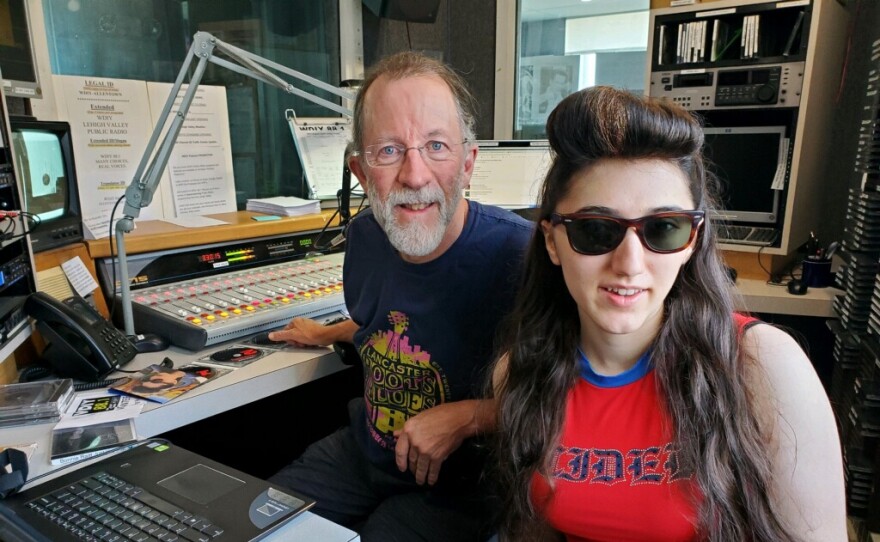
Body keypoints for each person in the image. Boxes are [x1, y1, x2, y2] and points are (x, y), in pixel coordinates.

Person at [491, 86, 846, 541]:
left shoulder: (763, 367)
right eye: (597, 230)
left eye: (663, 228)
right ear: (552, 241)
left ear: (692, 241)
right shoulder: (520, 374)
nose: (630, 263)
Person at [267, 51, 533, 541]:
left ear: (469, 162)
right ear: (362, 172)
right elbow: (388, 324)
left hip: (464, 489)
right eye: (389, 151)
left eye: (436, 146)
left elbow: (573, 397)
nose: (414, 176)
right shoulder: (366, 236)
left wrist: (467, 418)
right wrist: (325, 332)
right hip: (365, 454)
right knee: (256, 523)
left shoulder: (521, 255)